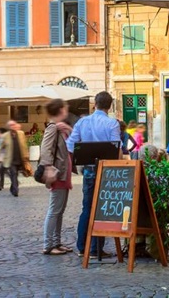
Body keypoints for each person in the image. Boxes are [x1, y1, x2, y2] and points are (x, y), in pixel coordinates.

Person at [66, 91, 122, 258]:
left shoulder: (82, 122)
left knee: (87, 208)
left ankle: (83, 246)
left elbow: (70, 145)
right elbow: (116, 149)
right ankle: (96, 248)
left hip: (89, 169)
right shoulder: (112, 124)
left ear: (94, 104)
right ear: (109, 106)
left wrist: (75, 164)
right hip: (106, 170)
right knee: (102, 209)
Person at [38, 99, 74, 255]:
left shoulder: (61, 128)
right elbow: (45, 149)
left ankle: (56, 242)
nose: (67, 110)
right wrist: (48, 168)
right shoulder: (53, 127)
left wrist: (68, 129)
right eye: (65, 108)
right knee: (54, 210)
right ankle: (48, 244)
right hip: (57, 174)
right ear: (61, 110)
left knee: (59, 210)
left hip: (64, 174)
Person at [1, 120, 31, 197]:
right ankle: (15, 190)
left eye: (14, 124)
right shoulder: (5, 136)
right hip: (10, 159)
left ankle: (12, 188)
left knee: (16, 174)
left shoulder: (21, 133)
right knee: (13, 173)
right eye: (11, 125)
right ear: (8, 127)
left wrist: (27, 156)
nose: (13, 126)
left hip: (20, 158)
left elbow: (24, 145)